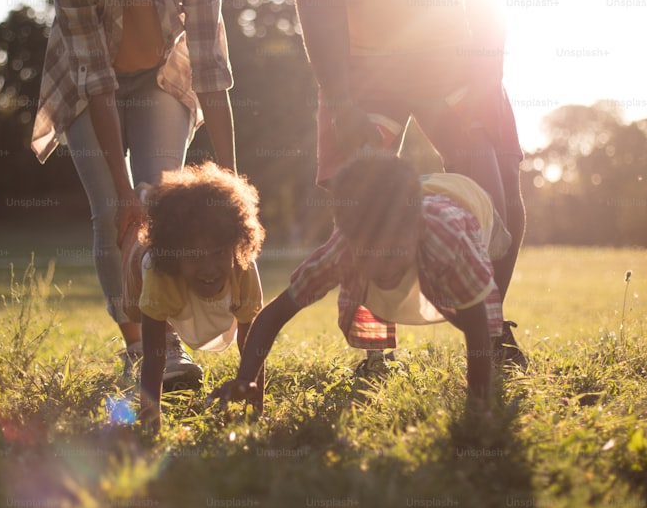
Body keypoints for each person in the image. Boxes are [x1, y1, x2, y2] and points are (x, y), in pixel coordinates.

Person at [277, 0, 526, 365]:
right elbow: (317, 3)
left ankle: (491, 334)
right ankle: (374, 350)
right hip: (360, 63)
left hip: (452, 51)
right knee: (359, 196)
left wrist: (485, 79)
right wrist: (342, 100)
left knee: (499, 190)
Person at [31, 0, 237, 385]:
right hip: (86, 85)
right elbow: (98, 82)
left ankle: (167, 347)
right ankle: (139, 347)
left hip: (160, 78)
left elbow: (211, 74)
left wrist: (231, 183)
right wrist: (124, 194)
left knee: (159, 200)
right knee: (114, 211)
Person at [210, 154, 509, 411]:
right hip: (422, 196)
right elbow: (274, 314)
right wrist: (245, 377)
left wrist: (478, 408)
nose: (380, 268)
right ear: (348, 236)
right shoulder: (343, 249)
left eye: (391, 251)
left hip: (472, 200)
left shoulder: (450, 241)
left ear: (416, 229)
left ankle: (506, 345)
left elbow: (476, 324)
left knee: (496, 260)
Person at [122, 162, 265, 430]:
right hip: (145, 265)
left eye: (219, 253)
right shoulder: (158, 273)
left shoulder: (243, 267)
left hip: (184, 286)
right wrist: (151, 425)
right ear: (175, 253)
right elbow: (154, 356)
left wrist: (256, 410)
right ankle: (142, 203)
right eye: (196, 255)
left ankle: (146, 196)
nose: (209, 268)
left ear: (235, 246)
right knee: (131, 310)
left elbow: (253, 344)